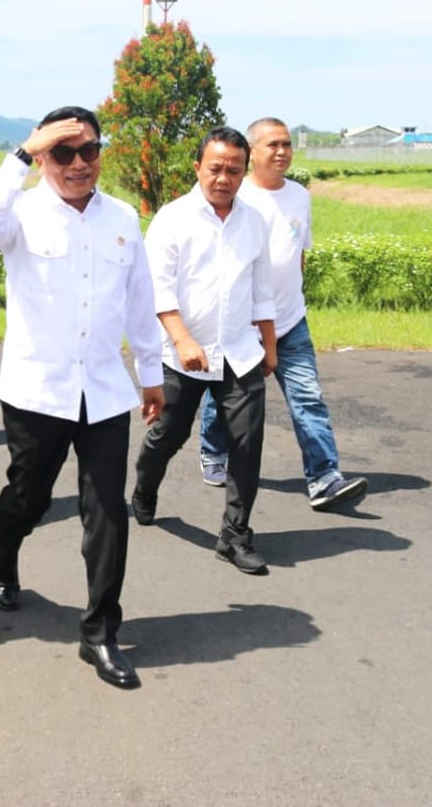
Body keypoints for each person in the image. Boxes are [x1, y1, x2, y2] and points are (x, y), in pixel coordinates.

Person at [0, 107, 163, 690]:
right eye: (63, 153)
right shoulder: (19, 213)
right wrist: (23, 154)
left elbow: (140, 303)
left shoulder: (123, 217)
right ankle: (4, 554)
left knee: (107, 510)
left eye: (89, 151)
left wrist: (151, 375)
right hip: (38, 391)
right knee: (26, 497)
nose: (79, 164)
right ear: (44, 157)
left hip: (103, 390)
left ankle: (100, 631)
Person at [195, 118, 368, 511]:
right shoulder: (237, 198)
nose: (281, 152)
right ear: (251, 152)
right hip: (240, 323)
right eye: (272, 144)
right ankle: (212, 450)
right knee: (224, 399)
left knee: (308, 398)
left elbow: (299, 253)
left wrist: (295, 296)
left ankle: (324, 477)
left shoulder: (300, 197)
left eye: (287, 144)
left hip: (290, 320)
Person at [132, 126, 278, 575]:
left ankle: (235, 535)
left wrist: (269, 347)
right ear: (197, 167)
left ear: (244, 171)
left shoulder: (253, 221)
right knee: (168, 435)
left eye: (234, 169)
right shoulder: (173, 219)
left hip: (239, 352)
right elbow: (156, 289)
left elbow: (263, 291)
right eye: (215, 168)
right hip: (182, 355)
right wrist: (181, 338)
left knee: (247, 443)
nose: (223, 178)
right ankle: (144, 487)